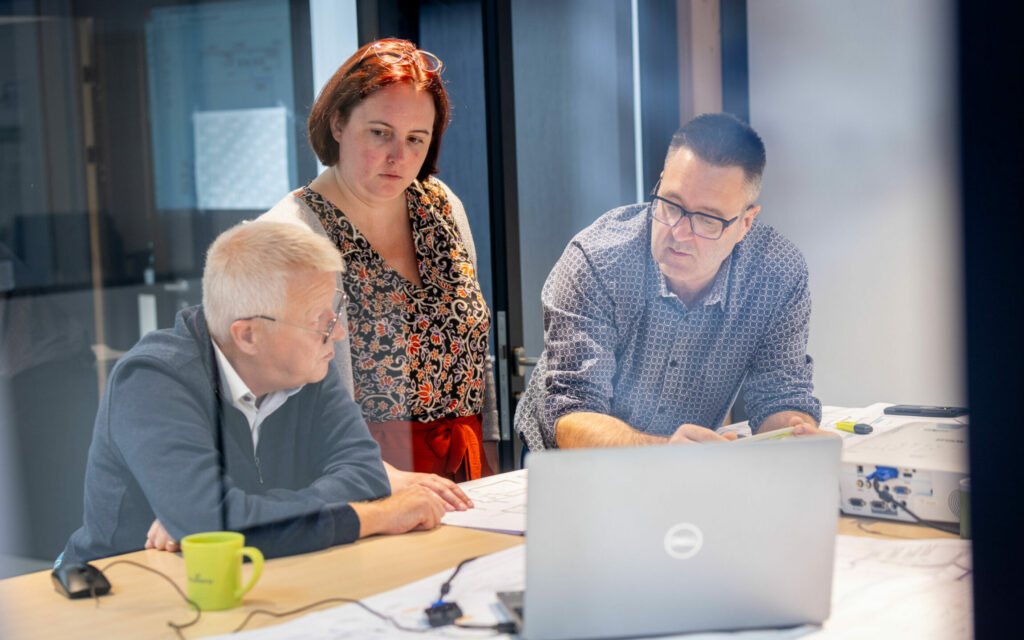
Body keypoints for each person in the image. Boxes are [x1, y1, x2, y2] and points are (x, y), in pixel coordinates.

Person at [57, 222, 454, 566]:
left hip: (263, 576)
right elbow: (214, 523)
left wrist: (237, 520)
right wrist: (376, 517)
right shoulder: (152, 382)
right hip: (121, 591)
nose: (338, 332)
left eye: (336, 310)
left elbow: (366, 477)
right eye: (321, 319)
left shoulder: (311, 364)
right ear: (248, 335)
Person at [260, 38, 498, 483]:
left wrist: (489, 452)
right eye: (379, 132)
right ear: (337, 123)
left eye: (416, 139)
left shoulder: (441, 206)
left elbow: (473, 346)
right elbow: (286, 407)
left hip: (465, 464)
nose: (398, 157)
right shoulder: (291, 235)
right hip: (360, 475)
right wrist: (370, 481)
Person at [515, 113, 826, 451]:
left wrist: (797, 434)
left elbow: (779, 393)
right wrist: (665, 451)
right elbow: (573, 414)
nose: (679, 233)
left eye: (707, 220)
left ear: (745, 224)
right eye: (671, 204)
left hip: (682, 461)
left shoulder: (775, 273)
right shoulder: (597, 261)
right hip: (573, 463)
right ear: (660, 183)